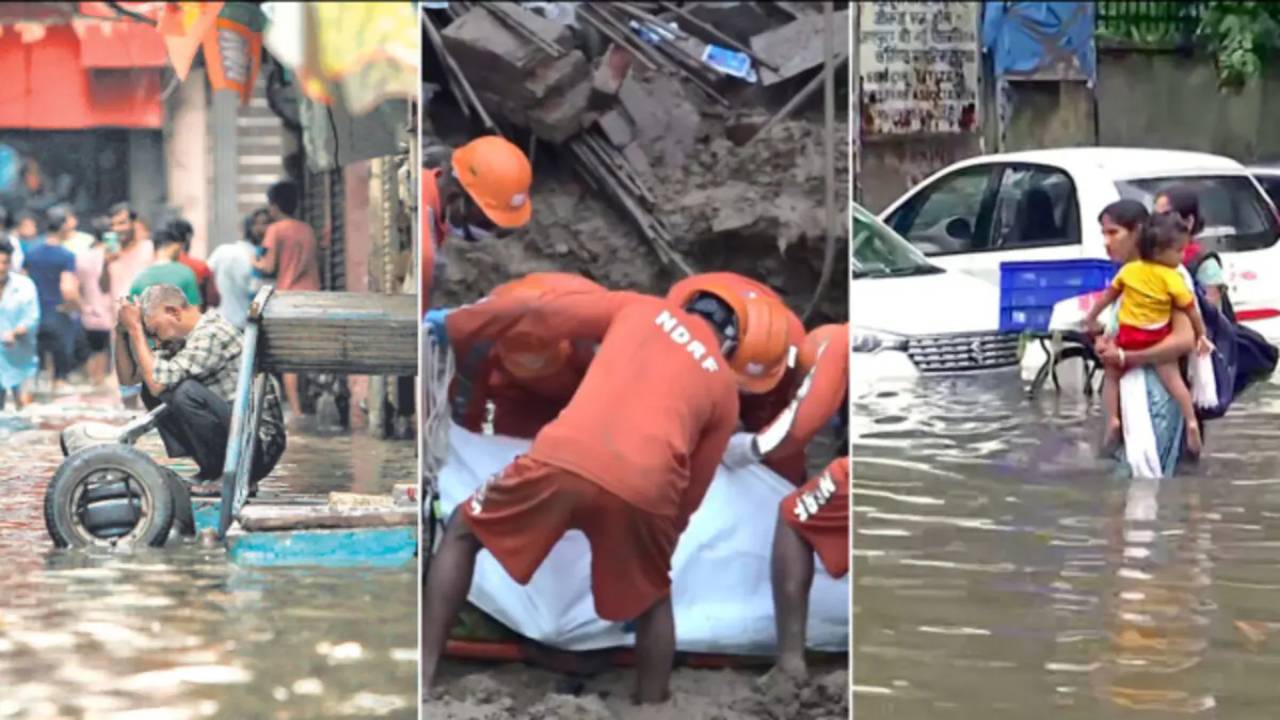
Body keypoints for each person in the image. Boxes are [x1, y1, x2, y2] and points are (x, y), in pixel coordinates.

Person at [421, 286, 791, 704]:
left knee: (464, 531)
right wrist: (658, 552)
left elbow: (540, 308)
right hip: (646, 490)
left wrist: (455, 324)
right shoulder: (724, 390)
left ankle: (424, 676)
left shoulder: (639, 308)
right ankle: (652, 705)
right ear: (729, 345)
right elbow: (693, 488)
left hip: (564, 457)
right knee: (655, 597)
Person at [114, 284, 285, 495]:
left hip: (258, 448)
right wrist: (122, 332)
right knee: (153, 388)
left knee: (182, 391)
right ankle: (212, 470)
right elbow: (129, 378)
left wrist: (136, 331)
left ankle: (233, 476)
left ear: (173, 312)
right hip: (239, 437)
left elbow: (158, 382)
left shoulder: (211, 333)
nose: (156, 340)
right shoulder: (181, 340)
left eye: (155, 331)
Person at [1084, 212, 1213, 455]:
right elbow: (1112, 322)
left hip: (1156, 400)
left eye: (1113, 232)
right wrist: (1102, 341)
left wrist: (1125, 357)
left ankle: (1189, 423)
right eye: (1103, 233)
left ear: (1136, 235)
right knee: (1134, 479)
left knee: (1153, 475)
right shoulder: (1130, 274)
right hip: (1129, 395)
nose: (1106, 241)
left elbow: (1184, 340)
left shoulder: (1174, 277)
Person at [668, 272, 808, 484]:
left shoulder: (792, 345)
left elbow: (790, 418)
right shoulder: (676, 318)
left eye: (745, 389)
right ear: (726, 350)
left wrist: (755, 445)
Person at [448, 272, 607, 438]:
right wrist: (468, 435)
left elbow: (618, 391)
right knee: (516, 440)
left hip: (583, 393)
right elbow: (469, 392)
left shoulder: (592, 333)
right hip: (521, 394)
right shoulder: (483, 333)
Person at [421, 135, 533, 308]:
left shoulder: (432, 176)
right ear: (456, 196)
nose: (489, 234)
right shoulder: (427, 259)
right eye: (486, 223)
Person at [255, 180, 320, 418]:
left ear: (273, 205)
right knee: (309, 354)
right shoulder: (307, 229)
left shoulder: (276, 230)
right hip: (314, 297)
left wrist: (254, 261)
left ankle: (297, 412)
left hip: (289, 298)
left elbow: (268, 266)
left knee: (290, 358)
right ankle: (308, 405)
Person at [24, 209, 80, 392]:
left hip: (33, 318)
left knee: (36, 376)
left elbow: (23, 284)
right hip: (57, 315)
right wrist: (79, 307)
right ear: (63, 226)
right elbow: (68, 289)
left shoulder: (31, 254)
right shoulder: (66, 256)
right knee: (60, 380)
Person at [1154, 186, 1228, 312]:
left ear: (1189, 221)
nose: (1158, 223)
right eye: (1156, 216)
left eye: (1166, 215)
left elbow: (1212, 316)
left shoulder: (1204, 263)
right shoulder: (1152, 257)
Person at [208, 209, 269, 330]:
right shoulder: (260, 260)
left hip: (218, 322)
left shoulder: (222, 250)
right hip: (244, 325)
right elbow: (257, 296)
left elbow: (205, 278)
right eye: (260, 224)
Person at [73, 224, 114, 388]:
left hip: (88, 311)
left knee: (93, 349)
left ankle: (92, 382)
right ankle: (99, 382)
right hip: (108, 311)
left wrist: (83, 306)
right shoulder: (111, 257)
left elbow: (77, 287)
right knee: (103, 350)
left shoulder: (82, 257)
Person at [0, 240, 39, 409]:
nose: (1, 267)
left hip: (21, 356)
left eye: (5, 262)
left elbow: (32, 318)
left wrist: (15, 333)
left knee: (24, 408)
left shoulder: (24, 285)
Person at [129, 228, 201, 306]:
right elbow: (194, 309)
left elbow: (130, 310)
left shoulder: (139, 277)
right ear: (174, 247)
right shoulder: (186, 273)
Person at [167, 218, 220, 310]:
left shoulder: (154, 267)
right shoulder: (200, 267)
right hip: (194, 321)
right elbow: (214, 299)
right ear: (188, 239)